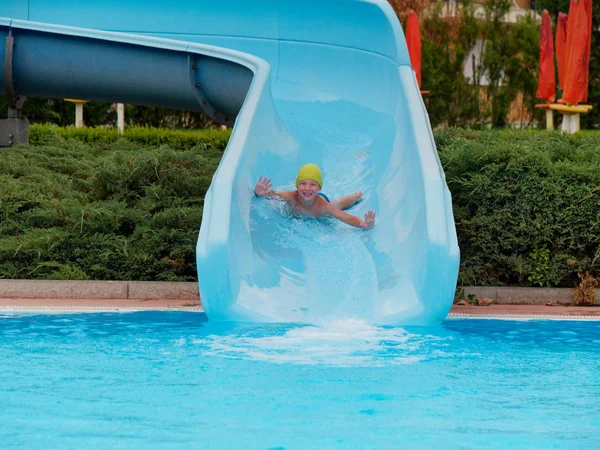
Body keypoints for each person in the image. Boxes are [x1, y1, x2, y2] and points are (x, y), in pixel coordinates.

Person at [254, 163, 376, 230]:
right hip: (311, 200)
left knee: (338, 205)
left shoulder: (323, 206)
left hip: (321, 200)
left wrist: (363, 224)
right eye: (303, 184)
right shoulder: (290, 197)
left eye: (313, 184)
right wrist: (261, 193)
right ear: (297, 186)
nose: (307, 188)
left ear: (319, 188)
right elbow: (273, 195)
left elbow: (345, 217)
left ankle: (355, 196)